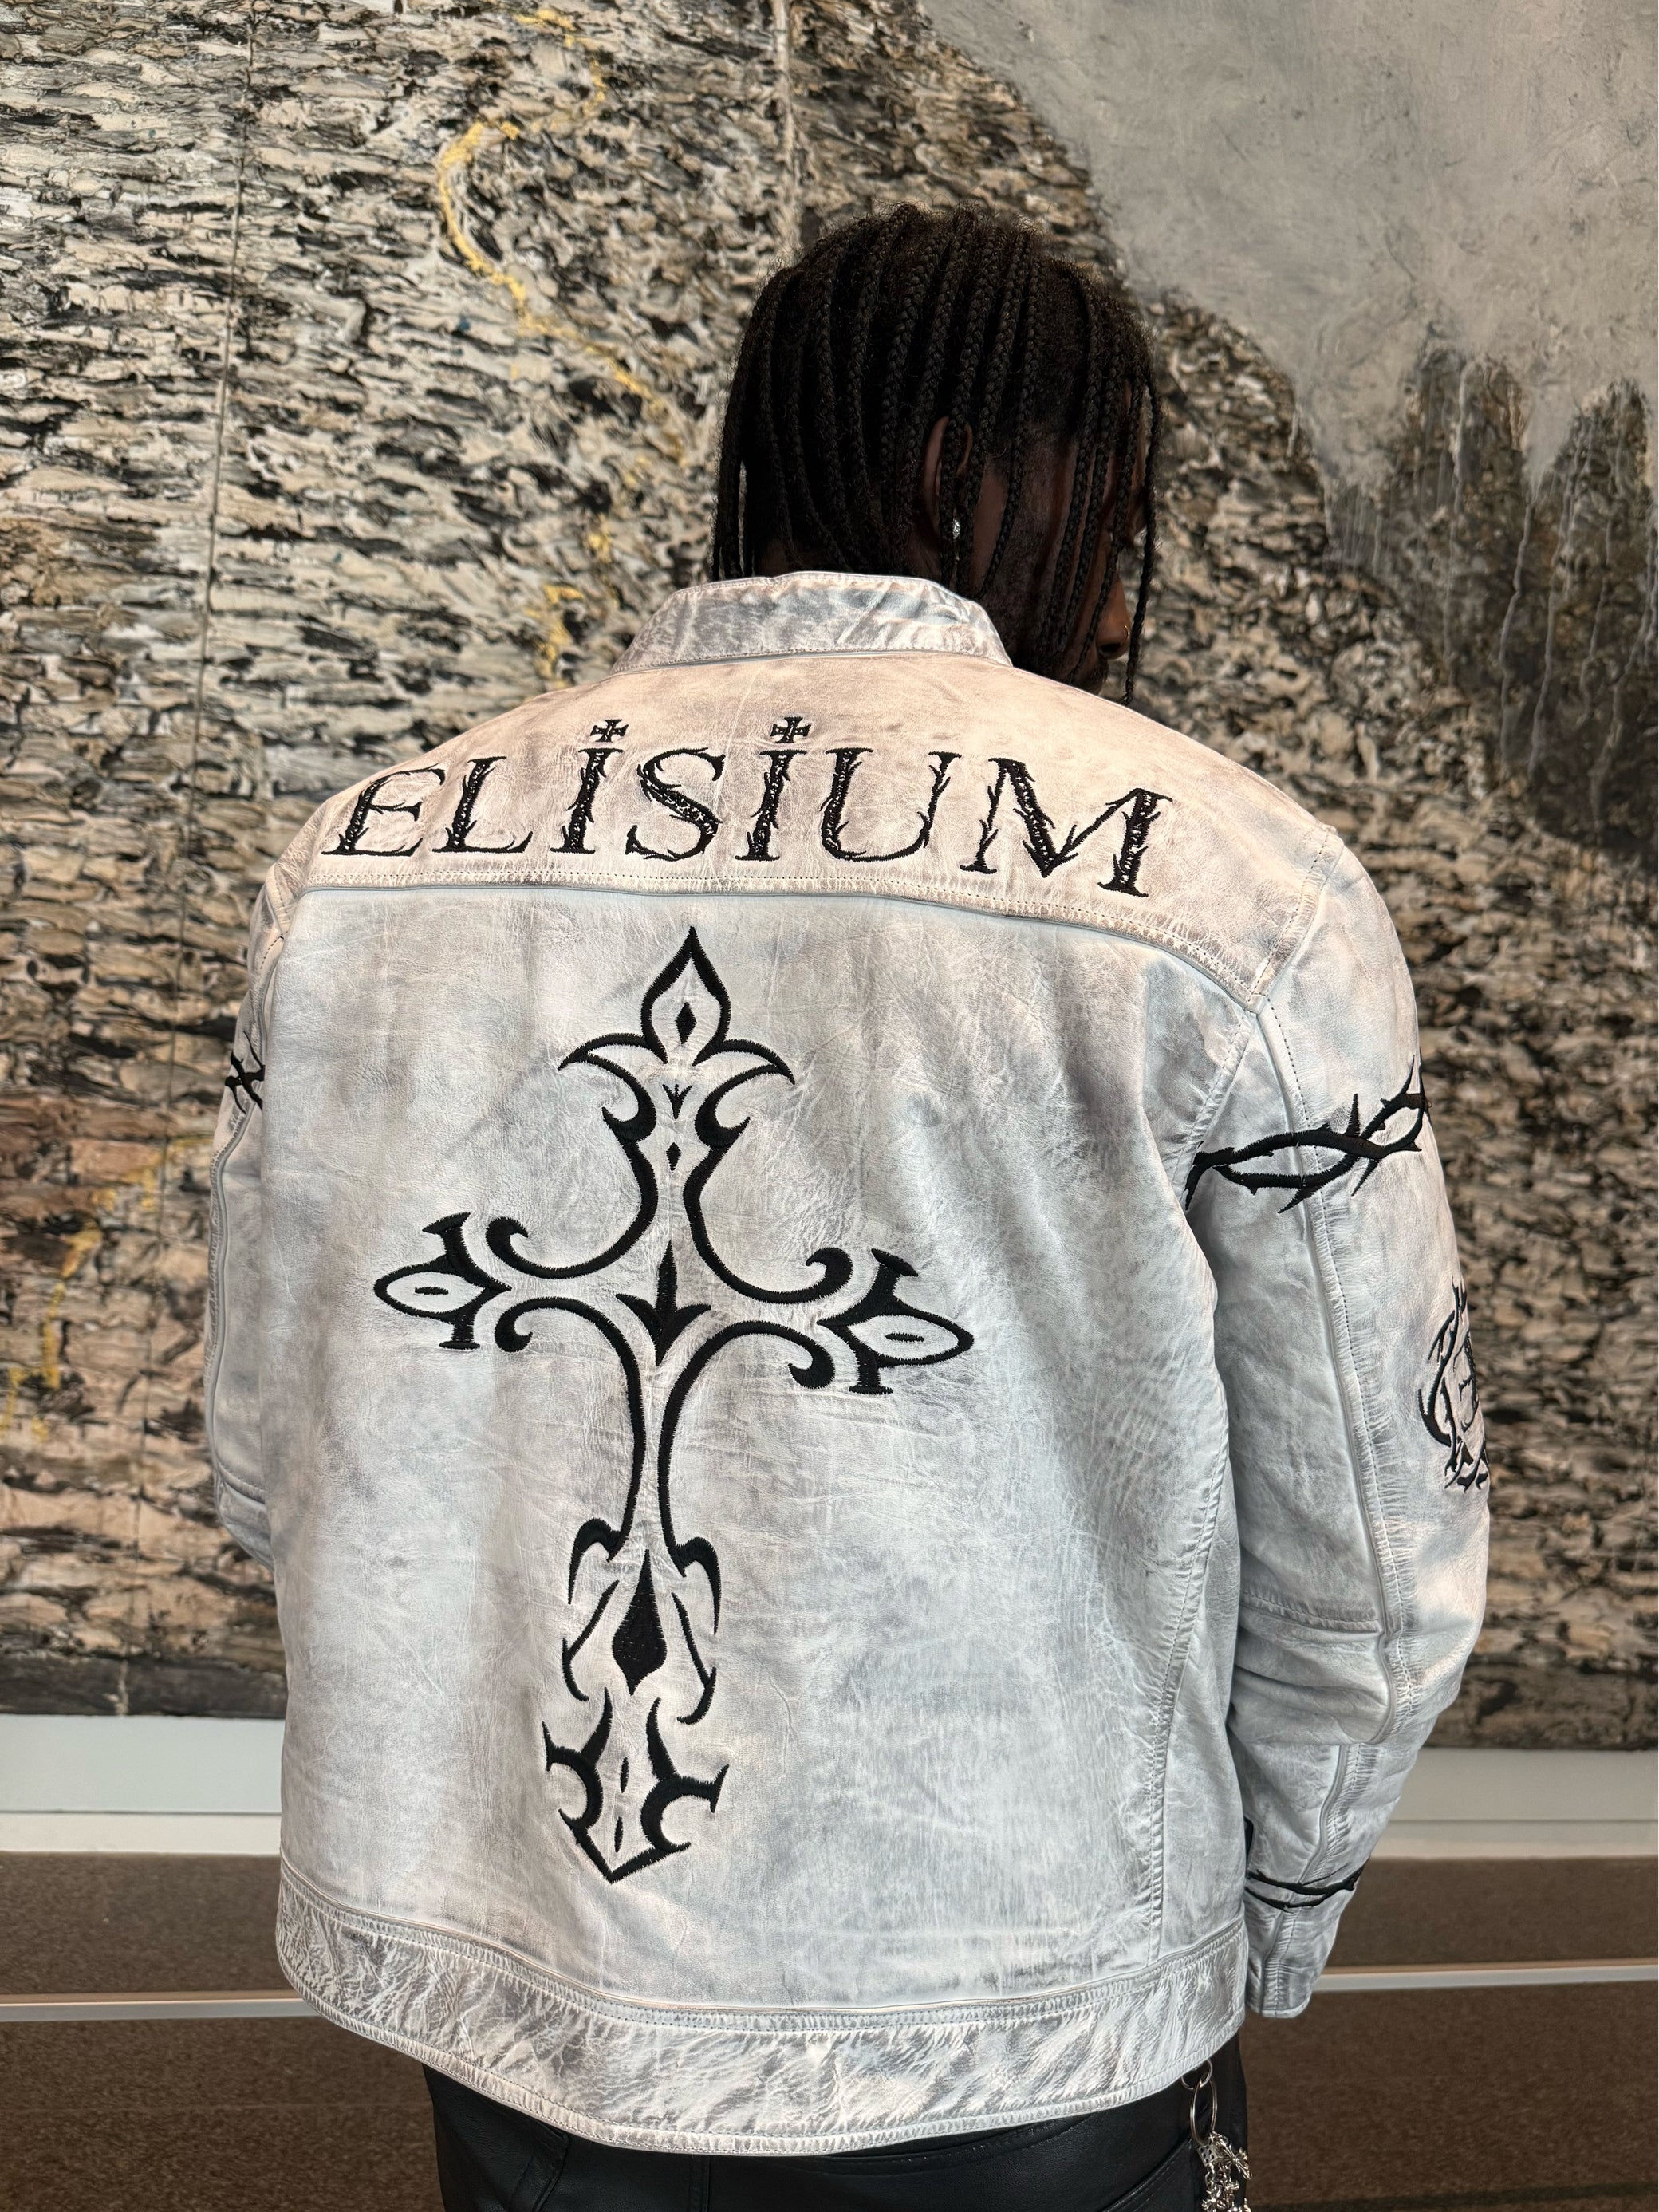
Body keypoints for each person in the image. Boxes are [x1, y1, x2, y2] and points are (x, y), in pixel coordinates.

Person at [207, 204, 1489, 2210]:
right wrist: (1267, 1911)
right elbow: (1375, 1550)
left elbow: (266, 1448)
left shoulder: (363, 866)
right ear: (965, 478)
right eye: (1110, 522)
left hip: (512, 1993)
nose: (1119, 604)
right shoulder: (1236, 887)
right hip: (1013, 2016)